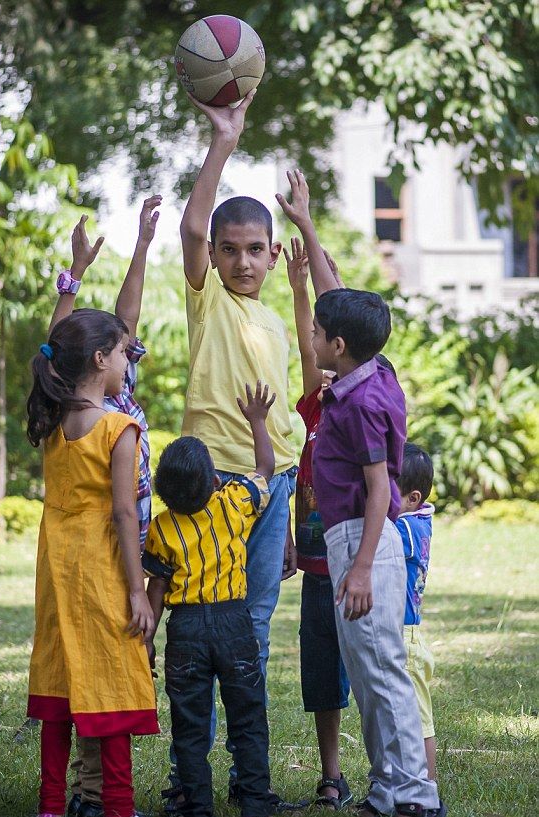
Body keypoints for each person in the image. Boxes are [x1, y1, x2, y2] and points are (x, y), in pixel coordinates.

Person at [168, 90, 299, 812]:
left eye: (256, 249)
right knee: (199, 628)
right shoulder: (208, 301)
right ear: (214, 258)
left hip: (270, 488)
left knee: (251, 629)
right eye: (231, 250)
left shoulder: (275, 324)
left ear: (273, 255)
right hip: (213, 484)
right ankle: (191, 779)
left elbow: (288, 431)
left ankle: (252, 777)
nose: (243, 260)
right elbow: (191, 223)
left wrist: (288, 502)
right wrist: (224, 139)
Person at [310, 286, 446, 817]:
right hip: (353, 539)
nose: (313, 338)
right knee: (366, 672)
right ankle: (388, 789)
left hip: (362, 540)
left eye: (319, 333)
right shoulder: (372, 372)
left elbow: (381, 490)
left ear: (338, 344)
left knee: (384, 671)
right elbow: (336, 294)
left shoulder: (363, 402)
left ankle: (415, 796)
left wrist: (361, 568)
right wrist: (306, 227)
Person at [46, 199, 161, 817]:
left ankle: (90, 793)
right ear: (102, 359)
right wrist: (73, 278)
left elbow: (119, 318)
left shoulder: (104, 393)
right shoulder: (106, 413)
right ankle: (100, 797)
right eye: (120, 349)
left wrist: (141, 245)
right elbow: (56, 348)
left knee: (110, 667)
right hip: (115, 559)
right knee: (106, 671)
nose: (127, 352)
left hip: (118, 554)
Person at [144, 381, 277, 817]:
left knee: (190, 727)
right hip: (234, 625)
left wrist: (146, 640)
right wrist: (257, 420)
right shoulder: (233, 504)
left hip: (185, 632)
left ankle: (196, 806)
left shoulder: (161, 528)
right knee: (248, 721)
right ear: (216, 480)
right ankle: (256, 804)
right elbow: (266, 469)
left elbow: (158, 590)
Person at [282, 233, 352, 811]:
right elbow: (310, 343)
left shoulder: (367, 397)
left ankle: (393, 769)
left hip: (361, 563)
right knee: (322, 673)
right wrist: (298, 288)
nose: (321, 362)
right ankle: (331, 775)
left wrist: (310, 236)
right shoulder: (314, 407)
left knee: (375, 669)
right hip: (318, 569)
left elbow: (336, 320)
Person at [396, 443, 438, 782]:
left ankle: (428, 786)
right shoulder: (419, 520)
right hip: (404, 633)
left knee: (420, 720)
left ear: (412, 498)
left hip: (406, 639)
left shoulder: (407, 529)